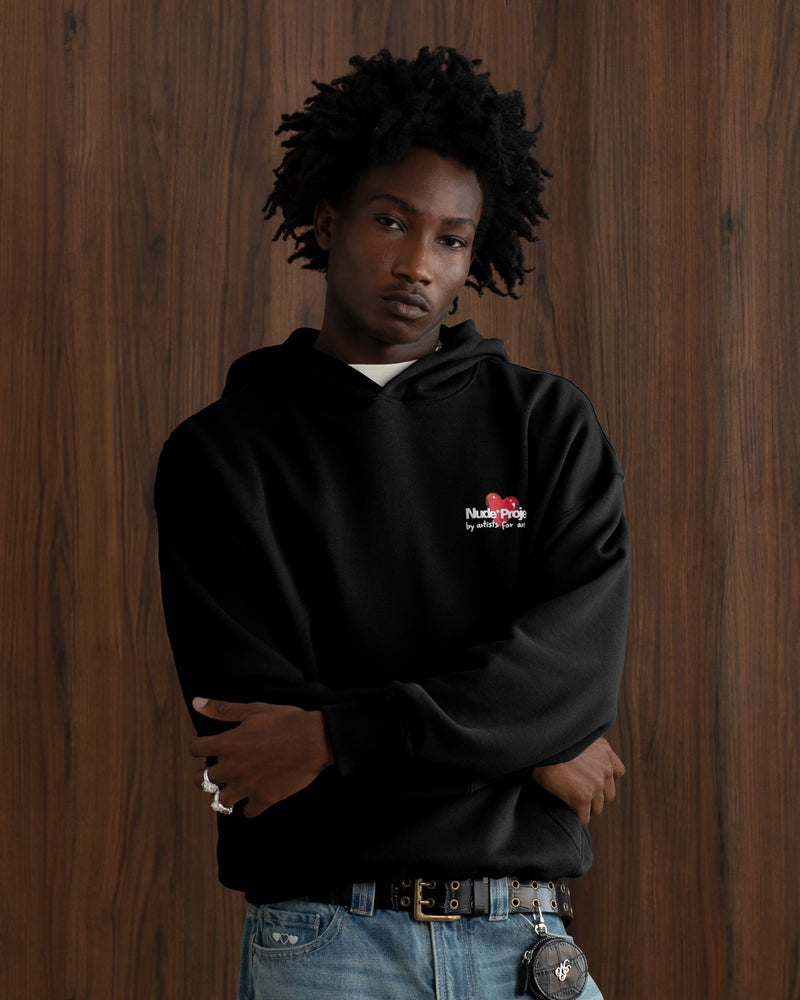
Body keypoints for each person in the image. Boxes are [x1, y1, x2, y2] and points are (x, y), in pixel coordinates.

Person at [155, 46, 629, 1000]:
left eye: (451, 240)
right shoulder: (224, 454)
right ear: (329, 220)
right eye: (391, 221)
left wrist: (332, 737)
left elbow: (571, 683)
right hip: (327, 943)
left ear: (473, 257)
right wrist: (524, 744)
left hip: (524, 942)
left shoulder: (545, 427)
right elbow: (256, 742)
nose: (418, 263)